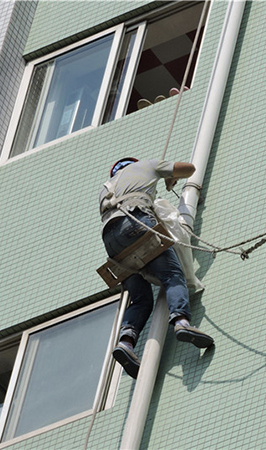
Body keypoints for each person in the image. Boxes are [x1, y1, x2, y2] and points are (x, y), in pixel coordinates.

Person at [99, 158, 214, 379]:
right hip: (136, 223)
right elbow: (189, 168)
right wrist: (171, 177)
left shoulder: (105, 187)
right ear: (133, 163)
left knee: (141, 299)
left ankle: (126, 342)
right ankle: (181, 321)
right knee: (172, 275)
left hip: (112, 241)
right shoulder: (145, 166)